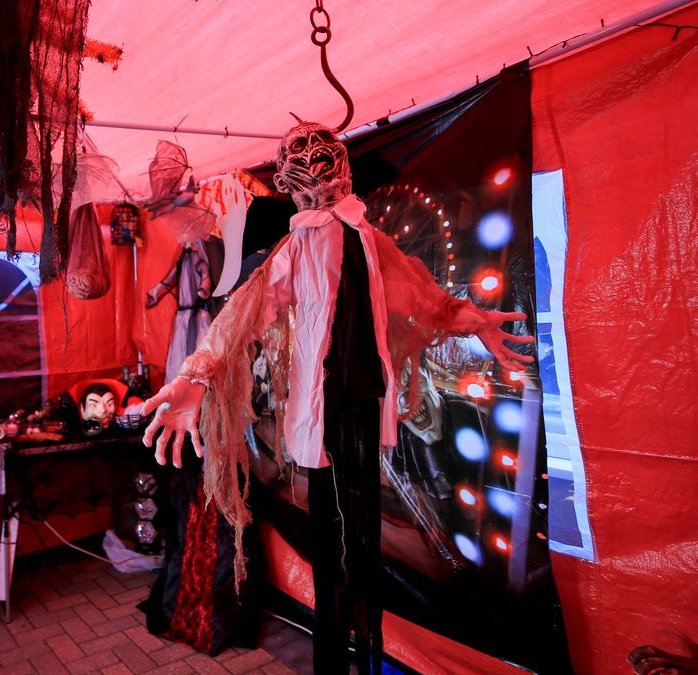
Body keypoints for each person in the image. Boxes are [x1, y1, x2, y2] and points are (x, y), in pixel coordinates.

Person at [141, 121, 533, 671]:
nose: (318, 184)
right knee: (331, 546)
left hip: (363, 406)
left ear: (338, 173)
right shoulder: (295, 249)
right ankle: (333, 656)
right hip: (322, 411)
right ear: (294, 184)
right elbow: (246, 313)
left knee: (363, 543)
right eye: (306, 173)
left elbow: (426, 299)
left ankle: (362, 648)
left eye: (322, 168)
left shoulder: (372, 243)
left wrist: (471, 319)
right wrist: (199, 372)